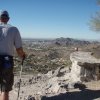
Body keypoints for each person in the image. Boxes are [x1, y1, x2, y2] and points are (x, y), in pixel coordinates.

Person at [0, 10, 26, 100]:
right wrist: (23, 55)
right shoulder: (14, 29)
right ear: (8, 18)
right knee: (5, 89)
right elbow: (19, 49)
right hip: (6, 62)